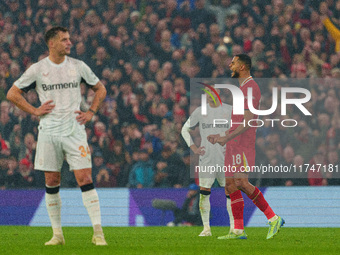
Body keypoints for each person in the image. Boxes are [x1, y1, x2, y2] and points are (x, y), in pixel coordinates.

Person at [6, 26, 107, 246]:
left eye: (69, 39)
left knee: (85, 178)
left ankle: (98, 232)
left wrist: (91, 112)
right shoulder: (38, 69)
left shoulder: (79, 67)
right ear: (51, 43)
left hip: (74, 131)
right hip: (49, 132)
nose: (69, 43)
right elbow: (12, 93)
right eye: (64, 40)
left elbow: (100, 89)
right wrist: (34, 110)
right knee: (52, 181)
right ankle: (57, 235)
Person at [208, 54, 284, 240]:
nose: (230, 65)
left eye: (233, 63)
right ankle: (238, 230)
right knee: (229, 185)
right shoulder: (242, 89)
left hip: (243, 143)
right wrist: (223, 136)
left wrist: (227, 138)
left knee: (241, 182)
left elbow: (248, 122)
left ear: (242, 67)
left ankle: (273, 217)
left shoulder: (251, 88)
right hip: (234, 141)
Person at [181, 85, 233, 236]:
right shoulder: (200, 111)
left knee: (230, 193)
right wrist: (194, 148)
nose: (210, 96)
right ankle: (206, 228)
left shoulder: (229, 110)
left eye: (213, 93)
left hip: (225, 158)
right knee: (204, 193)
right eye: (207, 94)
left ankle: (232, 227)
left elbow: (240, 127)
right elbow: (184, 129)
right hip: (207, 159)